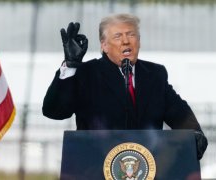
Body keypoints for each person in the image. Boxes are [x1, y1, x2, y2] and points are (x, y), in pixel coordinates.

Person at [42, 13, 207, 160]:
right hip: (95, 168)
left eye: (131, 34)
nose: (126, 41)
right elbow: (54, 111)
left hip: (148, 169)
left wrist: (195, 133)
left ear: (139, 41)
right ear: (104, 45)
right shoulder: (87, 73)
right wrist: (71, 66)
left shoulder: (155, 74)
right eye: (118, 36)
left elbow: (178, 111)